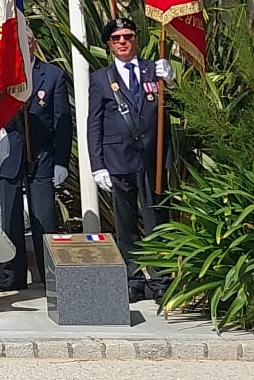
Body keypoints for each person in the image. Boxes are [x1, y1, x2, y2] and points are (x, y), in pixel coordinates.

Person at [86, 17, 174, 300]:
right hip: (118, 159)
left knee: (156, 221)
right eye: (116, 38)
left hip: (152, 158)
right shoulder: (101, 79)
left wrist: (170, 81)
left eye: (128, 36)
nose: (123, 41)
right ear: (109, 45)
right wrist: (98, 165)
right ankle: (133, 280)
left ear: (136, 39)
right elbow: (94, 125)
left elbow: (173, 109)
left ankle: (161, 280)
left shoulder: (154, 70)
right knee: (126, 225)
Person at [0, 36, 71, 291]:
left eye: (25, 42)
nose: (21, 47)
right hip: (9, 155)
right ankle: (13, 276)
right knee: (10, 219)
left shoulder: (52, 75)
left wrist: (61, 160)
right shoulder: (0, 75)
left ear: (34, 44)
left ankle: (50, 276)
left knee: (45, 219)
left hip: (41, 156)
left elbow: (62, 121)